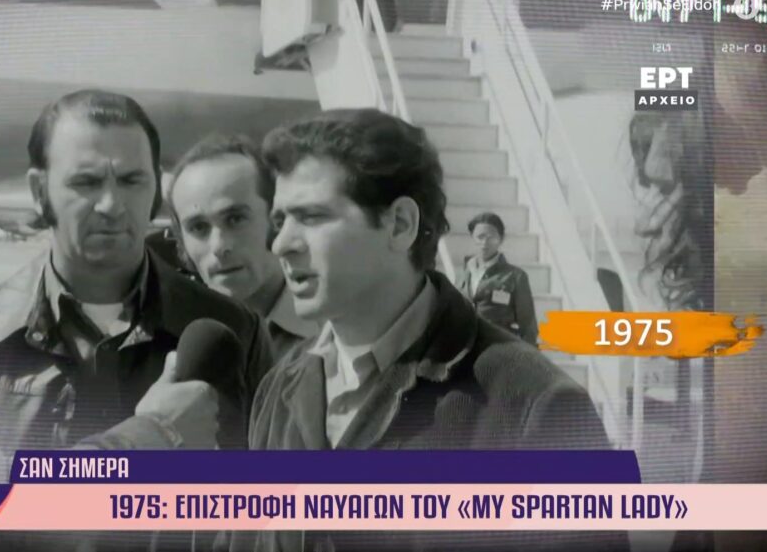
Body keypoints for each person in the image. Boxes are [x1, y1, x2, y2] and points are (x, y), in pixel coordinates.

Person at [239, 108, 616, 551]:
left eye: (312, 216)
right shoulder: (278, 388)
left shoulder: (537, 406)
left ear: (400, 224)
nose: (281, 244)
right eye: (280, 221)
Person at [0, 90, 272, 480]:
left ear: (156, 191)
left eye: (131, 180)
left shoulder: (235, 331)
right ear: (39, 191)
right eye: (87, 182)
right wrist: (155, 437)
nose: (111, 204)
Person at [168, 134, 319, 361]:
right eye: (198, 227)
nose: (219, 246)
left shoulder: (339, 329)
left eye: (235, 219)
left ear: (278, 220)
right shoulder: (172, 343)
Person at [456, 211, 539, 344]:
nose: (485, 242)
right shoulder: (464, 274)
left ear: (501, 239)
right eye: (480, 237)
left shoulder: (515, 277)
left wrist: (529, 354)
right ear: (472, 238)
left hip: (498, 348)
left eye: (491, 237)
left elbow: (528, 326)